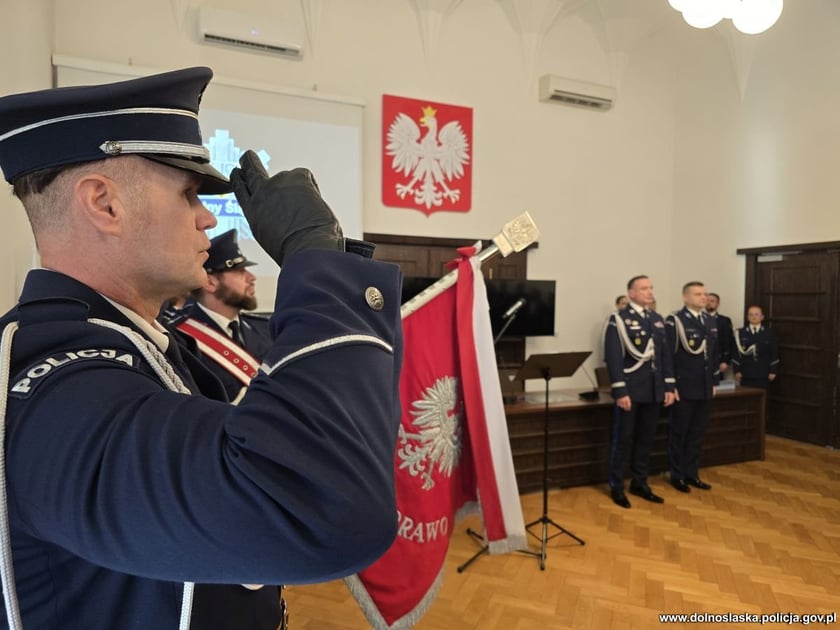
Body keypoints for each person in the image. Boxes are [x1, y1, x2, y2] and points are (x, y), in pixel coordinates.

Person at [0, 67, 402, 630]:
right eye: (189, 193)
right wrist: (315, 260)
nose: (207, 218)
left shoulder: (122, 345)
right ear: (104, 204)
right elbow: (322, 507)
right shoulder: (60, 388)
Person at [169, 228, 272, 402]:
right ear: (210, 282)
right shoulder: (180, 339)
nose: (251, 277)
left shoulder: (265, 329)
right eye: (240, 271)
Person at [603, 275, 675, 508]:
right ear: (631, 293)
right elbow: (614, 358)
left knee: (646, 439)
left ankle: (640, 482)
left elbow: (664, 356)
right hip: (631, 390)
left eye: (651, 288)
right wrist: (620, 390)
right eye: (644, 288)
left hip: (653, 390)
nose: (649, 292)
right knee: (623, 440)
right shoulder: (619, 320)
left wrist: (669, 386)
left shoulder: (656, 319)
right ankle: (617, 485)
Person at [665, 282, 719, 493]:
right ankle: (677, 475)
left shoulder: (709, 320)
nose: (703, 298)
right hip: (684, 385)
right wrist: (671, 384)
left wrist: (714, 381)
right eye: (698, 294)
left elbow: (713, 354)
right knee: (680, 433)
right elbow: (668, 354)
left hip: (704, 386)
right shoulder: (675, 320)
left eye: (705, 294)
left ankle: (692, 473)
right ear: (685, 298)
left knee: (697, 433)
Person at [733, 305, 779, 389]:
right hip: (745, 373)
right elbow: (736, 353)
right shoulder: (740, 333)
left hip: (764, 373)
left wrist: (773, 370)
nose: (753, 317)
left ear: (762, 317)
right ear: (747, 317)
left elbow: (774, 352)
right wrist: (737, 370)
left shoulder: (769, 332)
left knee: (762, 399)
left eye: (756, 314)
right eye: (751, 314)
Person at [706, 292, 734, 377]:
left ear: (717, 304)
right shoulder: (698, 319)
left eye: (712, 301)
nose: (709, 303)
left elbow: (728, 342)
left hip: (717, 360)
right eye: (707, 301)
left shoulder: (724, 321)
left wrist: (725, 361)